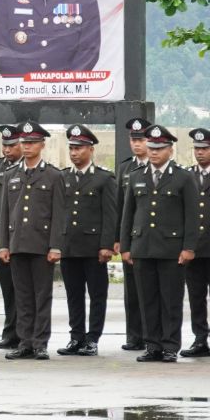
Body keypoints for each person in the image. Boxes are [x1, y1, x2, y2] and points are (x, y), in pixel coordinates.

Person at [120, 124, 199, 363]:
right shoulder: (136, 176)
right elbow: (128, 215)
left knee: (170, 300)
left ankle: (169, 346)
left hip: (171, 250)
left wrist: (188, 247)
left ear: (170, 150)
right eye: (151, 147)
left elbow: (192, 216)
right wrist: (125, 247)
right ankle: (152, 344)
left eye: (159, 148)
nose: (154, 152)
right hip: (143, 248)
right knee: (147, 300)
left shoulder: (184, 177)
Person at [0, 121, 66, 360]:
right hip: (17, 243)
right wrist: (4, 244)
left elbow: (59, 214)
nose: (26, 146)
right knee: (22, 296)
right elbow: (5, 212)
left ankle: (40, 343)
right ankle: (25, 341)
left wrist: (55, 245)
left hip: (41, 244)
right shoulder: (11, 174)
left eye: (31, 142)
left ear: (42, 144)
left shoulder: (53, 175)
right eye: (24, 142)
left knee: (41, 296)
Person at [57, 124, 116, 357]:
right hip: (69, 246)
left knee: (97, 295)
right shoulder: (63, 177)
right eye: (71, 148)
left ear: (91, 149)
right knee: (74, 295)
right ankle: (76, 337)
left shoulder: (104, 178)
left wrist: (106, 245)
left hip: (94, 248)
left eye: (79, 148)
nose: (74, 153)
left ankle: (93, 339)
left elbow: (110, 215)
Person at [116, 116, 151, 351]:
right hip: (132, 237)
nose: (137, 144)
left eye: (141, 140)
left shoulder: (159, 166)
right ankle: (134, 335)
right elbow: (119, 207)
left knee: (151, 290)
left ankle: (151, 335)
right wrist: (118, 239)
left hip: (154, 238)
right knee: (132, 290)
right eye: (133, 140)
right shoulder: (125, 168)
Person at [0, 123, 23, 349]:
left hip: (22, 237)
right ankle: (10, 333)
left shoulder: (29, 169)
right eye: (5, 145)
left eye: (12, 145)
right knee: (8, 290)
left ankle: (25, 334)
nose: (7, 150)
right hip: (0, 236)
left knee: (23, 289)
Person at [182, 128, 210, 358]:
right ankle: (200, 339)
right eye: (197, 149)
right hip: (195, 248)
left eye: (205, 149)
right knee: (196, 297)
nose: (200, 153)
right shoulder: (187, 176)